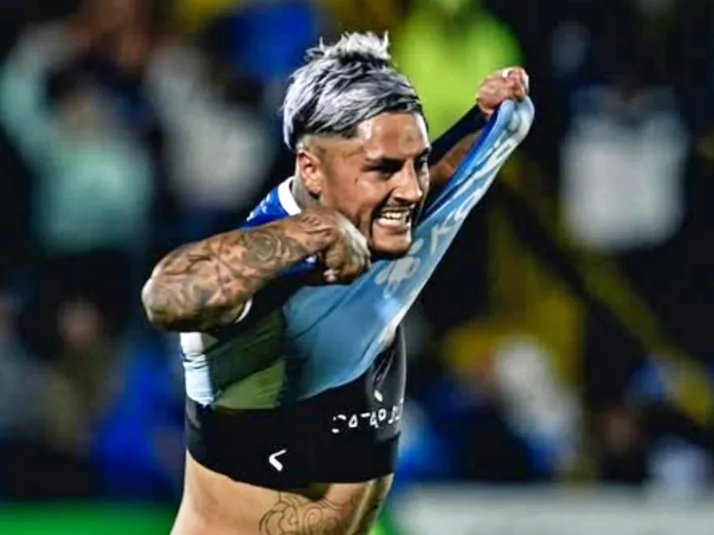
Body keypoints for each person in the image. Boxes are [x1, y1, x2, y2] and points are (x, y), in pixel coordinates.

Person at [142, 32, 531, 535]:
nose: (410, 188)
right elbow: (166, 296)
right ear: (311, 169)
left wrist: (492, 114)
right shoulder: (265, 279)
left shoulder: (392, 215)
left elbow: (450, 168)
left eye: (415, 163)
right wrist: (314, 230)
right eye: (384, 169)